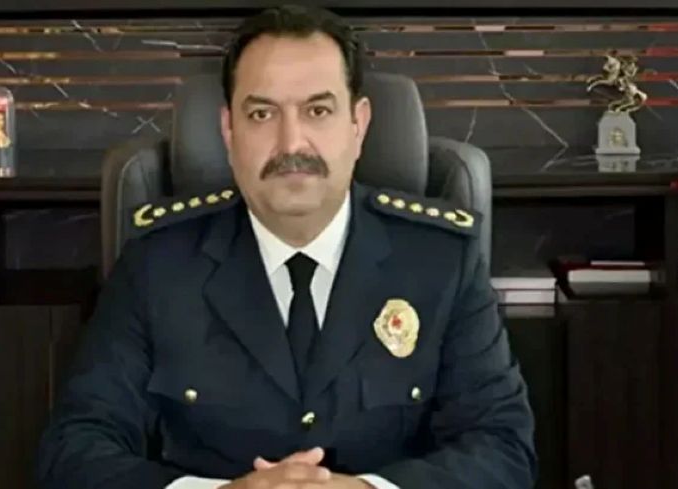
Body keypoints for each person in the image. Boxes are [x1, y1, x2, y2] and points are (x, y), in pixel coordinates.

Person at [36, 5, 536, 489]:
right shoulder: (157, 265)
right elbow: (74, 451)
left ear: (358, 124)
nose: (291, 143)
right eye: (261, 113)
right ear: (229, 130)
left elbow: (503, 449)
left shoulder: (440, 262)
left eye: (318, 110)